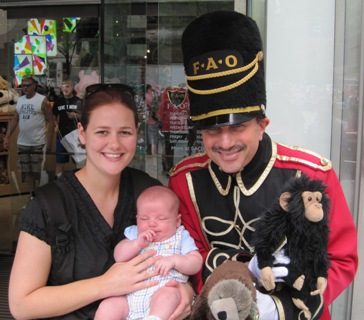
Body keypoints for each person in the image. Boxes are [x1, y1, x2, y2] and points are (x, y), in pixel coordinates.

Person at [168, 11, 358, 320]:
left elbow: (340, 259)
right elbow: (189, 254)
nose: (225, 143)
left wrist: (278, 308)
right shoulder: (184, 181)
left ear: (262, 124)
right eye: (213, 131)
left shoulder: (311, 174)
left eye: (238, 127)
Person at [9, 83, 194, 320]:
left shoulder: (149, 192)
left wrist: (186, 292)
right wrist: (105, 284)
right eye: (102, 132)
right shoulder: (48, 206)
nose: (114, 144)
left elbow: (182, 255)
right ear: (82, 134)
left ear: (136, 133)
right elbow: (22, 305)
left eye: (124, 132)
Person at [95, 185, 203, 320]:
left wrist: (174, 260)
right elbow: (118, 256)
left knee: (168, 296)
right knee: (109, 305)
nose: (152, 223)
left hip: (164, 290)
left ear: (177, 221)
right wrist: (136, 244)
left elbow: (196, 262)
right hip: (130, 297)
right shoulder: (134, 234)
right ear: (136, 219)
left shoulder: (181, 236)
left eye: (161, 218)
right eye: (144, 219)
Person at [3, 75, 55, 196]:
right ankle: (33, 197)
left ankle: (41, 197)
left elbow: (51, 121)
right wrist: (7, 137)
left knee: (38, 172)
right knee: (28, 173)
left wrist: (49, 141)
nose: (24, 88)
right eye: (23, 86)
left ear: (34, 86)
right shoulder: (20, 100)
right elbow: (15, 119)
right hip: (23, 143)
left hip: (38, 142)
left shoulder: (42, 100)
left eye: (27, 86)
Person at [53, 79, 82, 178]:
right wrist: (54, 124)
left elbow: (86, 118)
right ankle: (58, 185)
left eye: (68, 86)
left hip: (76, 136)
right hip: (61, 136)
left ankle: (80, 184)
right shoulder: (58, 102)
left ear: (73, 87)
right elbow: (53, 117)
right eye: (63, 86)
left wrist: (76, 116)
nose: (65, 88)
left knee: (79, 162)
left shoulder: (79, 101)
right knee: (59, 162)